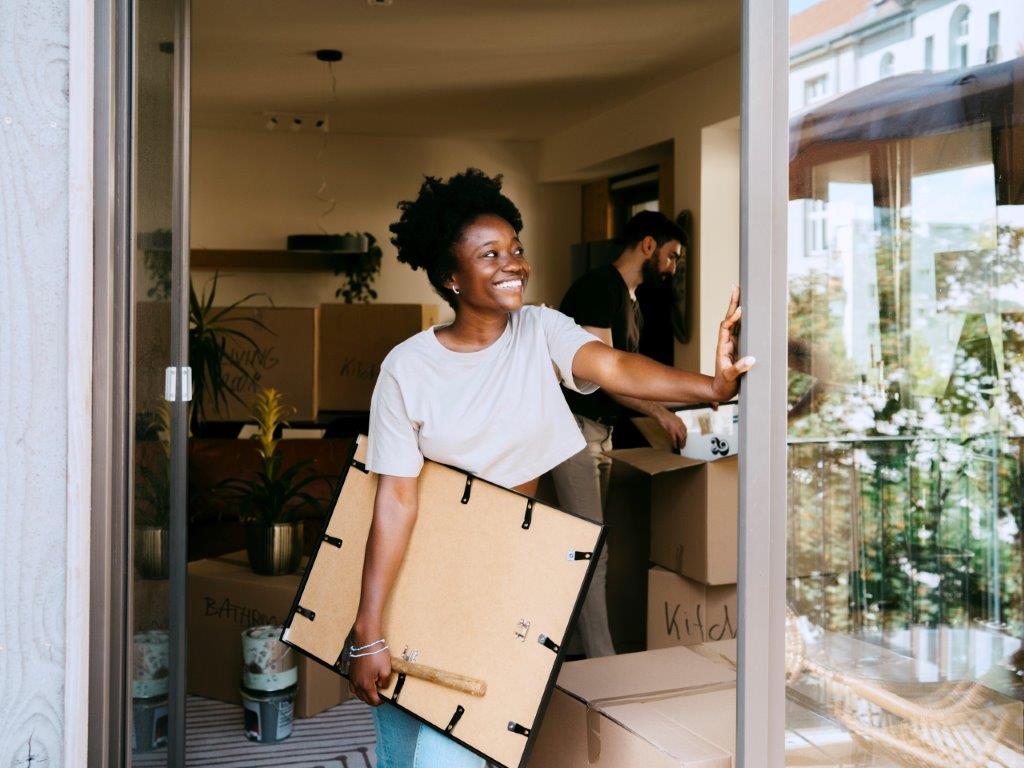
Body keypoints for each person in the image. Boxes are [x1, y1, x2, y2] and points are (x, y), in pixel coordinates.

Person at [349, 169, 752, 768]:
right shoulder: (407, 368)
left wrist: (710, 387)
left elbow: (616, 366)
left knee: (455, 747)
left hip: (509, 576)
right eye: (490, 254)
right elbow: (395, 501)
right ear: (452, 278)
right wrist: (369, 630)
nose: (513, 263)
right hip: (426, 575)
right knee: (400, 740)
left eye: (516, 249)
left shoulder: (540, 330)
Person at [551, 210, 694, 658]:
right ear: (648, 246)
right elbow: (611, 375)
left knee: (589, 547)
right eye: (671, 256)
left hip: (598, 434)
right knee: (591, 550)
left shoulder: (631, 302)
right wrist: (661, 412)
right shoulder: (598, 288)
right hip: (571, 432)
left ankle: (572, 649)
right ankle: (601, 661)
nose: (672, 268)